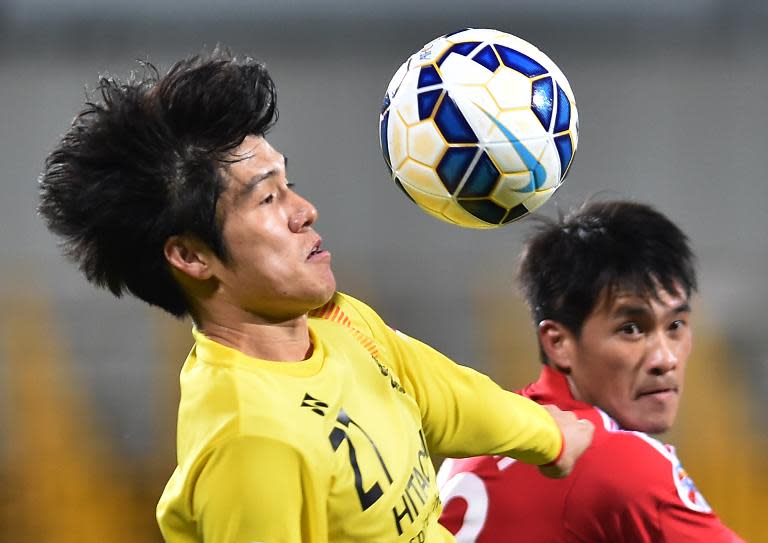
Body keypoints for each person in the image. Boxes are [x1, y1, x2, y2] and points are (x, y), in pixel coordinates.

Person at [37, 49, 593, 542]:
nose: (305, 212)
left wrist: (549, 435)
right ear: (191, 257)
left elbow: (436, 392)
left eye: (289, 186)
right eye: (266, 200)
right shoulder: (251, 445)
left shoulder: (331, 322)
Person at [437, 200, 745, 542]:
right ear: (559, 343)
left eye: (676, 325)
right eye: (631, 328)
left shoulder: (478, 441)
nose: (665, 359)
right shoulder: (621, 462)